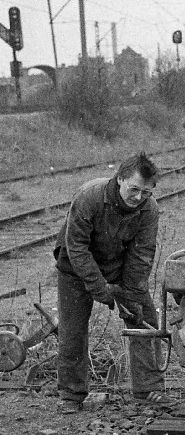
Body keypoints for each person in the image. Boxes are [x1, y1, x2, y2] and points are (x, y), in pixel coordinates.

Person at [53, 152, 165, 412]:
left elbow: (142, 255)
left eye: (146, 192)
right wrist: (99, 288)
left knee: (145, 320)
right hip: (75, 268)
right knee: (72, 330)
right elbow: (77, 247)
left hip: (117, 266)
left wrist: (132, 296)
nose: (138, 197)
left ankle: (148, 389)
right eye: (134, 189)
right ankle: (71, 394)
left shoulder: (149, 209)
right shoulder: (89, 197)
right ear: (120, 179)